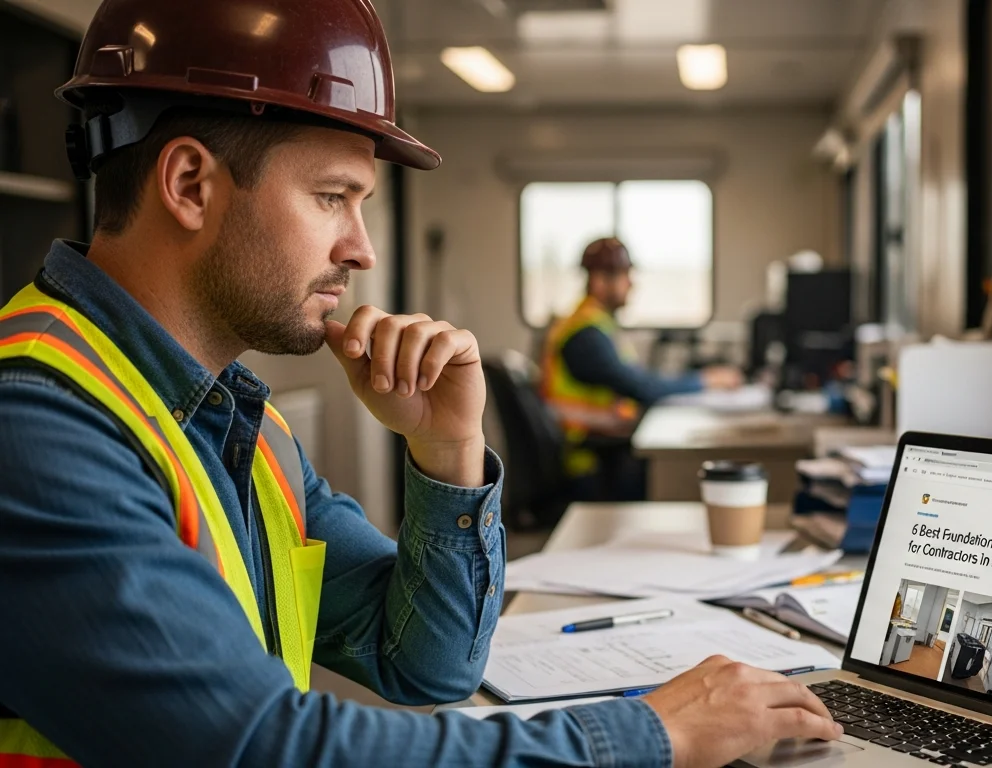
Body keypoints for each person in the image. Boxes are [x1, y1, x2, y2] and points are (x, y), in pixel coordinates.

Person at [0, 2, 839, 766]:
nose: (362, 249)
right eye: (332, 197)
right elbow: (259, 747)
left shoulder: (235, 419)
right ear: (190, 185)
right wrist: (650, 734)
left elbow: (424, 662)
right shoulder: (38, 425)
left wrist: (447, 450)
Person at [540, 238, 743, 495]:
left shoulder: (594, 324)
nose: (632, 284)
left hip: (597, 445)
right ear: (599, 281)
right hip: (588, 460)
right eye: (625, 276)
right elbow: (642, 387)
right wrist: (707, 380)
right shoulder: (585, 336)